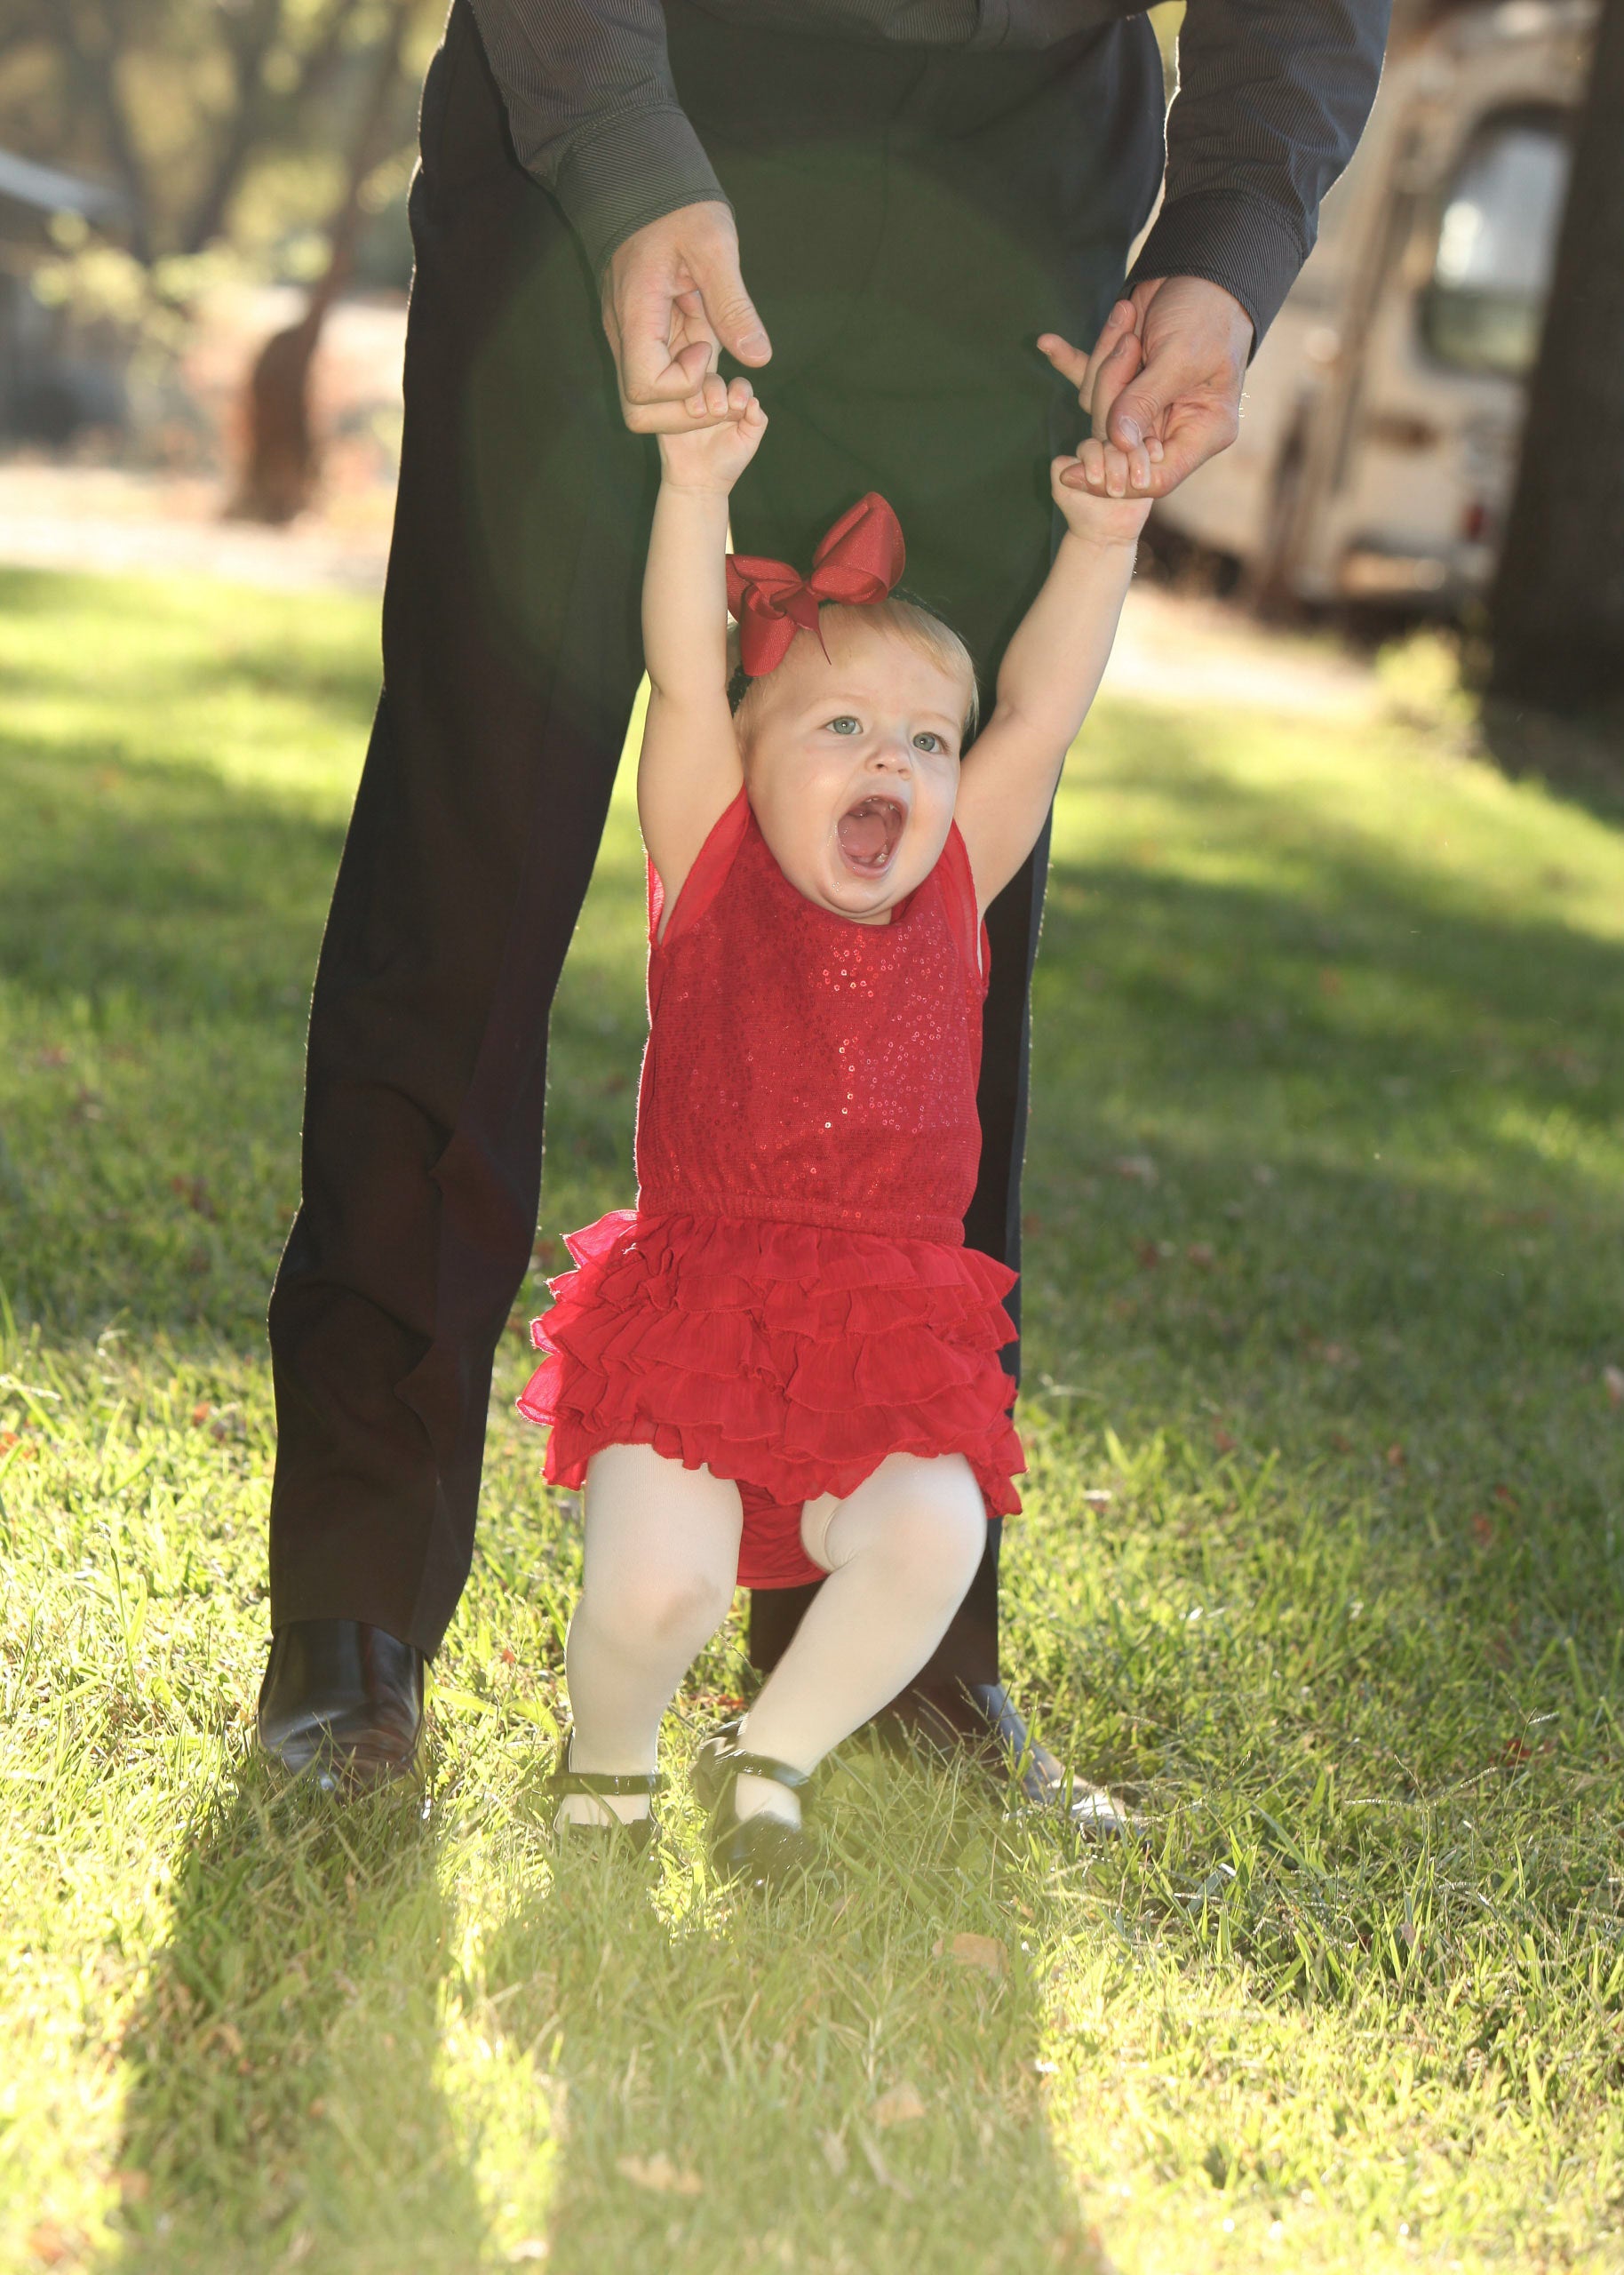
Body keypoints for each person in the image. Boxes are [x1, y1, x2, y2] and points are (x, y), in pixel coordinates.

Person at [257, 0, 1390, 1796]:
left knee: (929, 944)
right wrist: (625, 157)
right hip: (614, 111)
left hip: (1006, 177)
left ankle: (898, 1659)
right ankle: (352, 1618)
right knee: (462, 876)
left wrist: (1227, 245)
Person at [529, 365, 1150, 1878]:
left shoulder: (952, 893)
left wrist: (1104, 540)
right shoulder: (717, 857)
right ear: (750, 763)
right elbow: (685, 675)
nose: (896, 761)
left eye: (927, 742)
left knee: (937, 1530)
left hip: (883, 1321)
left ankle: (771, 1750)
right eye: (846, 728)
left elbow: (1046, 712)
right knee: (654, 1595)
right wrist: (695, 491)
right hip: (702, 1302)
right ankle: (605, 1764)